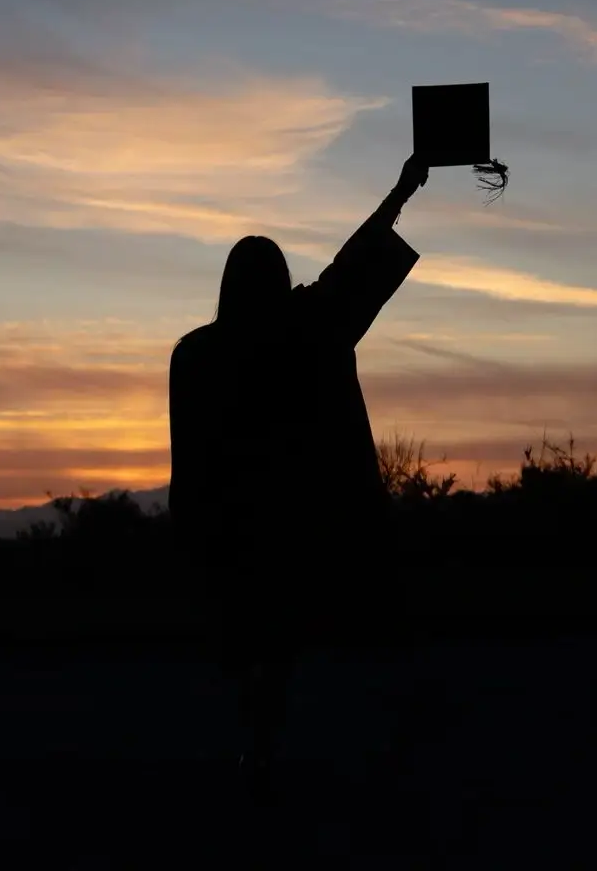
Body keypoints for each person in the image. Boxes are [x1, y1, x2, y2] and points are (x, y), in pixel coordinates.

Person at [167, 154, 428, 795]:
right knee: (272, 640)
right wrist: (401, 189)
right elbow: (353, 266)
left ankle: (258, 740)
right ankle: (264, 736)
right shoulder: (307, 328)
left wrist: (191, 523)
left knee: (254, 639)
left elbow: (188, 452)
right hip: (289, 522)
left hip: (234, 522)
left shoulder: (198, 353)